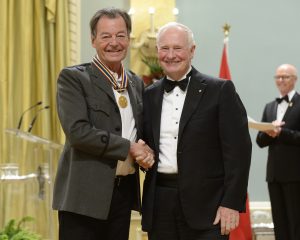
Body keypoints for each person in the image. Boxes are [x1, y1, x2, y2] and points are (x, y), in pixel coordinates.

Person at [141, 22, 252, 240]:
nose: (171, 55)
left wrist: (231, 202)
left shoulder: (220, 90)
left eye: (178, 48)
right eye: (165, 48)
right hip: (160, 204)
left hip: (209, 207)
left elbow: (239, 152)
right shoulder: (148, 95)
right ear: (157, 52)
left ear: (192, 51)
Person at [52, 7, 154, 240]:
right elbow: (78, 132)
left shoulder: (136, 83)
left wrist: (146, 153)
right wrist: (129, 147)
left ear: (129, 39)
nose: (114, 43)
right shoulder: (74, 78)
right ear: (93, 40)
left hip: (122, 193)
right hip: (83, 196)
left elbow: (140, 132)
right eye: (106, 36)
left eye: (120, 35)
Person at [256, 64, 300, 240]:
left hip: (295, 174)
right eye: (278, 77)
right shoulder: (270, 107)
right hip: (274, 174)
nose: (281, 80)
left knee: (296, 221)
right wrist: (269, 132)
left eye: (285, 77)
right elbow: (260, 141)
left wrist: (282, 132)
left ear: (294, 79)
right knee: (279, 221)